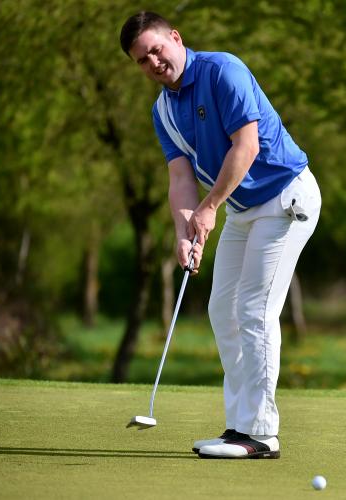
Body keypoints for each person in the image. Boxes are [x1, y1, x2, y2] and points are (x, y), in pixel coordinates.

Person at [120, 11, 321, 459]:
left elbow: (246, 146)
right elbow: (180, 178)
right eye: (142, 60)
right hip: (242, 208)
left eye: (157, 50)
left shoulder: (223, 70)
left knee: (254, 308)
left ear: (176, 38)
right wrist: (184, 232)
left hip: (285, 196)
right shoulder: (163, 111)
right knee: (222, 310)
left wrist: (209, 209)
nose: (153, 62)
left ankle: (262, 434)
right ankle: (240, 427)